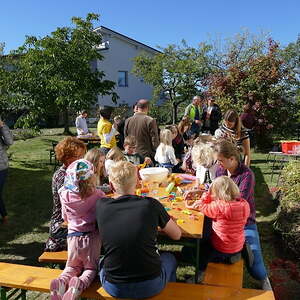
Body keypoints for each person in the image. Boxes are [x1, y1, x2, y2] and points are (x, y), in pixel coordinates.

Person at [96, 161, 181, 299]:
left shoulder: (101, 206)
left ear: (111, 186)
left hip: (114, 286)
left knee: (101, 261)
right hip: (151, 285)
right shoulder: (151, 205)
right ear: (137, 183)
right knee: (170, 258)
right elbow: (176, 235)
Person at [213, 139, 272, 290]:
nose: (218, 164)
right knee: (208, 246)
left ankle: (264, 280)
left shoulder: (246, 175)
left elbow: (239, 204)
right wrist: (203, 192)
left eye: (220, 161)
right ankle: (204, 272)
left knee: (255, 264)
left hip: (244, 222)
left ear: (232, 159)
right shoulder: (220, 170)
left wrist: (215, 201)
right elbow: (214, 190)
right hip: (222, 220)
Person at [50, 159, 105, 300]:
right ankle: (79, 284)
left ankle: (61, 282)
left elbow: (64, 217)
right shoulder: (98, 195)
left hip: (72, 237)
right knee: (90, 269)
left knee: (72, 267)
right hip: (91, 238)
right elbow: (103, 217)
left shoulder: (64, 194)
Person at [185, 176, 250, 281]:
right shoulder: (244, 204)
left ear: (217, 193)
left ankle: (200, 274)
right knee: (232, 241)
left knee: (202, 252)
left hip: (220, 246)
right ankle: (233, 256)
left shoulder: (219, 207)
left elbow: (202, 206)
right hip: (237, 245)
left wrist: (207, 194)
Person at [45, 137, 86, 252]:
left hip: (72, 222)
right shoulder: (62, 176)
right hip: (62, 226)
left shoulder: (75, 172)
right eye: (79, 157)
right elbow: (74, 203)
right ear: (68, 158)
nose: (82, 160)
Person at [0, 119, 13, 224]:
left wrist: (2, 125)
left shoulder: (1, 127)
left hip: (1, 167)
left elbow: (10, 142)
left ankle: (4, 216)